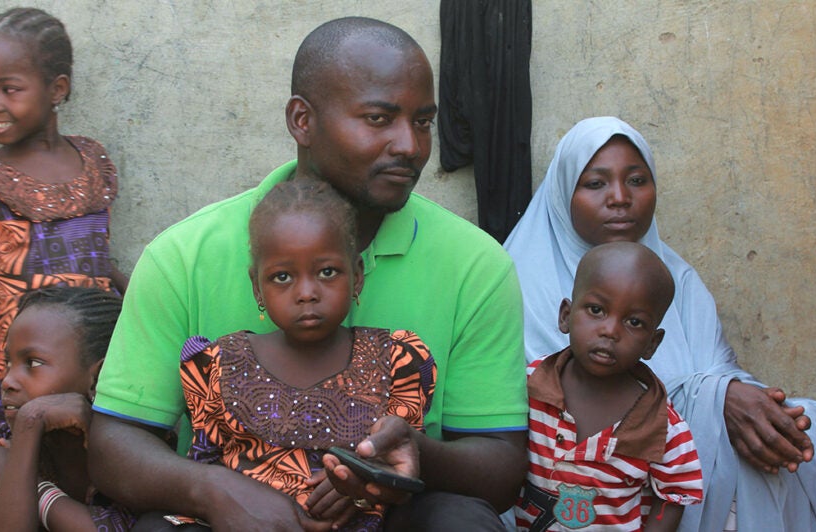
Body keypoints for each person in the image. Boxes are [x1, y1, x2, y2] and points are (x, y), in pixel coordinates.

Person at [89, 16, 528, 532]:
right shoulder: (184, 255)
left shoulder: (476, 266)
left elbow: (501, 467)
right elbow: (113, 443)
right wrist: (216, 490)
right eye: (379, 118)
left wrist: (412, 458)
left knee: (460, 520)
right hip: (232, 521)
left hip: (390, 516)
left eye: (424, 122)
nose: (410, 145)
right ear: (302, 120)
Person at [503, 116, 816, 531]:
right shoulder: (519, 281)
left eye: (637, 181)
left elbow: (717, 375)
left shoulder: (677, 280)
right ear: (561, 194)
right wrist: (718, 399)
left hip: (674, 461)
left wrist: (741, 403)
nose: (620, 197)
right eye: (596, 183)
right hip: (567, 483)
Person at [0, 8, 128, 531]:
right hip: (9, 367)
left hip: (83, 359)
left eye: (9, 88)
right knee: (0, 473)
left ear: (57, 88)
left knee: (82, 465)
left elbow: (99, 260)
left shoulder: (95, 164)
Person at [144, 180, 436, 531]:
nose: (307, 293)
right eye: (282, 277)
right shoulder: (219, 363)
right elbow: (203, 464)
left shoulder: (395, 361)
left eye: (327, 272)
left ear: (357, 276)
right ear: (257, 288)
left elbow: (400, 463)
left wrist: (361, 485)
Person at [514, 242, 703, 532]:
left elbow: (674, 496)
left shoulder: (661, 425)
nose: (610, 330)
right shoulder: (529, 386)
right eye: (596, 310)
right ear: (566, 315)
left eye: (634, 322)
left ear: (653, 342)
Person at [0, 286, 134, 531]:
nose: (8, 381)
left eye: (33, 363)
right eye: (9, 363)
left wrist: (34, 487)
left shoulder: (132, 447)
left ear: (98, 378)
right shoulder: (1, 444)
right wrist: (29, 427)